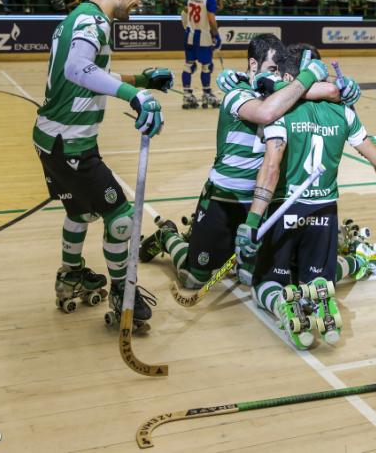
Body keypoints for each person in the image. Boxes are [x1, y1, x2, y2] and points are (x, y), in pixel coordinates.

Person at [139, 34, 350, 292]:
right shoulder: (238, 94)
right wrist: (306, 79)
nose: (277, 77)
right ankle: (168, 236)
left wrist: (344, 86)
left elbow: (325, 91)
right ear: (253, 66)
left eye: (280, 71)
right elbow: (266, 112)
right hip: (223, 198)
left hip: (259, 204)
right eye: (271, 69)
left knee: (252, 278)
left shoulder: (285, 94)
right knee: (193, 279)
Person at [34, 0, 173, 325]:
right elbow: (78, 68)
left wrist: (141, 81)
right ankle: (121, 294)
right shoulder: (94, 22)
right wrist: (135, 96)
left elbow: (88, 72)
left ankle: (71, 274)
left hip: (52, 140)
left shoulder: (76, 19)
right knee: (121, 218)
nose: (139, 0)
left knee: (79, 211)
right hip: (72, 143)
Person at [239, 45, 376, 349]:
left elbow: (271, 167)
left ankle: (281, 302)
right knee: (315, 277)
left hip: (286, 210)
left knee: (264, 283)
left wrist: (253, 219)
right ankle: (318, 290)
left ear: (292, 76)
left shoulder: (280, 111)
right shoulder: (344, 111)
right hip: (325, 211)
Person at [180, 0, 222, 109]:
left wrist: (186, 26)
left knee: (188, 65)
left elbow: (184, 12)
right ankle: (206, 93)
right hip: (203, 36)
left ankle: (187, 95)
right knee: (206, 66)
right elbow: (211, 20)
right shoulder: (210, 0)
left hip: (189, 34)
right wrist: (216, 35)